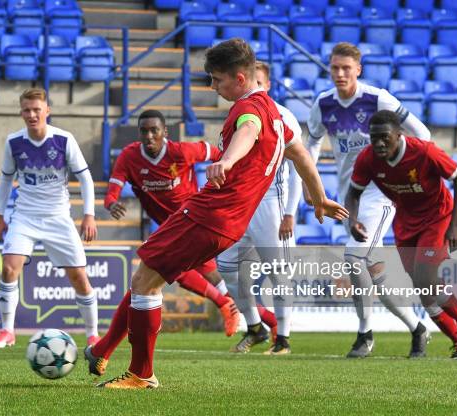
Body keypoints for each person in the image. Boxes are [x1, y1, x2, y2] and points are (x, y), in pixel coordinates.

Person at [87, 38, 348, 389]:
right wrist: (319, 199)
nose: (213, 87)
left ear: (240, 78)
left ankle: (141, 373)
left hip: (208, 215)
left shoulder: (249, 110)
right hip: (225, 222)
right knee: (146, 278)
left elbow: (247, 132)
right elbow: (301, 156)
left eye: (217, 79)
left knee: (144, 282)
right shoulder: (276, 114)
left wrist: (226, 159)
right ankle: (103, 350)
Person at [306, 42, 433, 358]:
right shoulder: (323, 104)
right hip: (350, 195)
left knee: (353, 258)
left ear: (358, 70)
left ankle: (365, 334)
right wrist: (313, 186)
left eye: (346, 68)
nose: (339, 74)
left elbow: (423, 134)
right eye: (334, 67)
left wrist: (399, 167)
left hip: (382, 191)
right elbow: (311, 144)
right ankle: (417, 327)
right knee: (374, 271)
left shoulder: (378, 99)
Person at [84, 110, 239, 369]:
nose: (149, 136)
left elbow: (217, 153)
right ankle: (259, 319)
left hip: (192, 222)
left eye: (154, 130)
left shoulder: (182, 152)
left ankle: (107, 352)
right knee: (157, 279)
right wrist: (111, 202)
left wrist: (228, 172)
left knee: (150, 277)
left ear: (165, 132)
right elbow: (113, 189)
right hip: (171, 228)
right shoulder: (130, 157)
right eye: (144, 131)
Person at [346, 110, 457, 359]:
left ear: (399, 135)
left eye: (385, 137)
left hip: (437, 218)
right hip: (406, 221)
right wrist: (353, 219)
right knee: (423, 290)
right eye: (374, 138)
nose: (379, 143)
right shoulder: (368, 159)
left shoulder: (424, 151)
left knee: (426, 277)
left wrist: (455, 225)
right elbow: (353, 193)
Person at [0, 88, 99, 348]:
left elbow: (85, 177)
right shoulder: (13, 142)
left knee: (79, 278)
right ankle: (7, 331)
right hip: (25, 215)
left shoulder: (63, 139)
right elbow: (5, 179)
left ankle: (93, 334)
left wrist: (89, 215)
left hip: (58, 217)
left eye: (37, 109)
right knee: (8, 268)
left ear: (47, 111)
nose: (32, 114)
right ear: (21, 113)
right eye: (27, 110)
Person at [218, 61, 302, 355]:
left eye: (261, 83)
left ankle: (284, 339)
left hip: (270, 203)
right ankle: (255, 327)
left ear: (266, 85)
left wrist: (290, 213)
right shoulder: (238, 113)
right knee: (227, 266)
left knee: (279, 273)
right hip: (242, 203)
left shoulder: (284, 116)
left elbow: (302, 166)